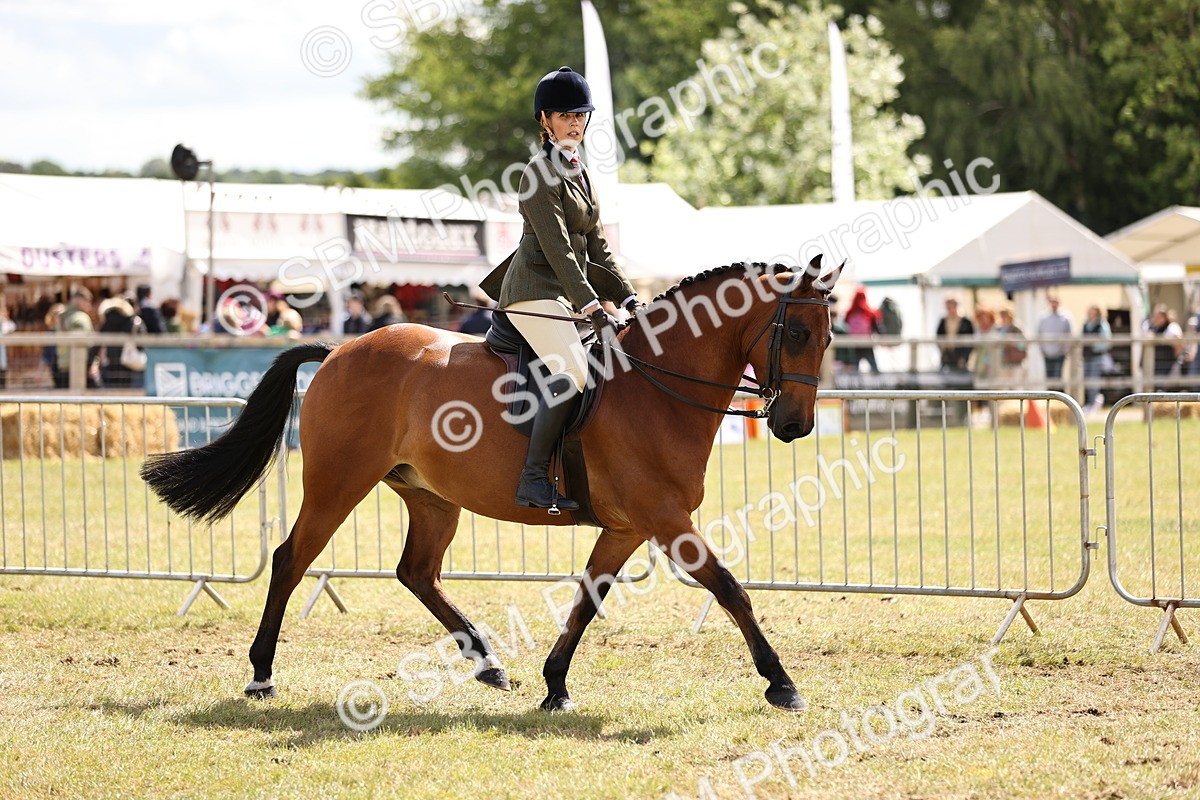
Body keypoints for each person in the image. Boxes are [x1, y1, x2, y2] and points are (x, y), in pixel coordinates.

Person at [477, 66, 641, 512]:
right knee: (573, 372)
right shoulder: (538, 173)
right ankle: (532, 479)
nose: (575, 123)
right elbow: (560, 251)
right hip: (532, 291)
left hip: (563, 295)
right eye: (565, 115)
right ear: (544, 121)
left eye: (581, 115)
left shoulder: (579, 171)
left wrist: (628, 298)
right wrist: (591, 304)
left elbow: (597, 246)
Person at [54, 288, 101, 389]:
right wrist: (94, 363)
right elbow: (88, 344)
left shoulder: (61, 317)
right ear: (79, 300)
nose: (90, 305)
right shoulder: (80, 318)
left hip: (63, 364)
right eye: (88, 301)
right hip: (81, 366)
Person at [97, 295, 142, 389]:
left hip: (110, 366)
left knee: (111, 399)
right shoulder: (133, 321)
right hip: (131, 366)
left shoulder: (106, 322)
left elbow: (96, 343)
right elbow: (142, 344)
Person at [1143, 304, 1183, 387]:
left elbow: (1179, 346)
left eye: (1159, 316)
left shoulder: (1171, 328)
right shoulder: (1152, 327)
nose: (1156, 318)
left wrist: (1174, 362)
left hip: (1168, 365)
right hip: (1155, 365)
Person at [1036, 293, 1073, 385]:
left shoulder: (1065, 317)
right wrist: (1042, 350)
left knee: (1058, 378)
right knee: (1049, 378)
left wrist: (1065, 351)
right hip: (1047, 353)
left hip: (1059, 353)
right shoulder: (1043, 318)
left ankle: (1058, 398)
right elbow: (1039, 334)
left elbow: (1069, 335)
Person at [842, 286, 880, 373]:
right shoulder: (869, 312)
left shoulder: (850, 312)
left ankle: (853, 385)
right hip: (867, 343)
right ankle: (879, 383)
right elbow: (876, 327)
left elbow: (845, 325)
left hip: (855, 343)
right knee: (874, 367)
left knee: (855, 367)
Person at [1080, 305, 1112, 407]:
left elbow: (1106, 341)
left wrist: (1093, 346)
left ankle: (1093, 402)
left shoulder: (1102, 324)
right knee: (1087, 380)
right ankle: (1090, 402)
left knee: (1094, 380)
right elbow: (1080, 338)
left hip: (1097, 357)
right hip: (1086, 357)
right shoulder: (1086, 324)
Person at [936, 295, 974, 372]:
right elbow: (938, 338)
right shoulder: (943, 321)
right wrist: (943, 352)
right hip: (947, 357)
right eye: (947, 307)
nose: (949, 309)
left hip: (961, 358)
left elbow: (970, 341)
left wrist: (964, 357)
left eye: (951, 306)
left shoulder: (966, 322)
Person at [996, 304, 1027, 387]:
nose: (1003, 318)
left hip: (1016, 362)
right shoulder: (999, 328)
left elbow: (1023, 344)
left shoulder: (1016, 328)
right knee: (1004, 386)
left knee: (1016, 385)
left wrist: (1013, 342)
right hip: (1004, 361)